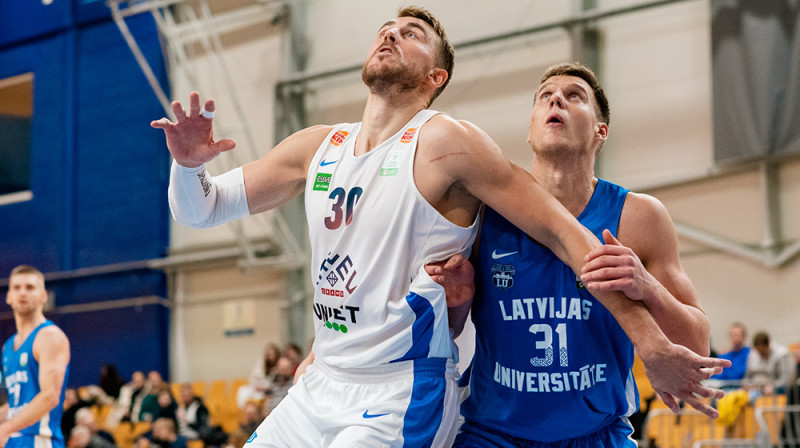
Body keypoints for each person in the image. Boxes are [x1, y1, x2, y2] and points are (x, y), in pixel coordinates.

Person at [151, 7, 728, 446]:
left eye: (412, 33)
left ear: (436, 76)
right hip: (327, 378)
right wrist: (187, 166)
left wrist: (651, 340)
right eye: (387, 27)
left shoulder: (450, 142)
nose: (391, 33)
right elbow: (202, 209)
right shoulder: (316, 146)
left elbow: (561, 233)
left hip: (401, 388)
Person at [425, 62, 716, 446]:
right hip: (494, 435)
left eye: (573, 95)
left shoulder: (639, 217)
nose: (556, 99)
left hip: (597, 435)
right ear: (531, 131)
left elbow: (697, 345)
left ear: (601, 131)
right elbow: (447, 331)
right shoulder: (481, 211)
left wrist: (648, 288)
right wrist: (457, 304)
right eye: (544, 96)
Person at [0, 265, 71, 448]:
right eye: (16, 287)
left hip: (40, 441)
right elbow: (19, 404)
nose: (22, 292)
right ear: (8, 296)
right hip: (14, 440)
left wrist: (5, 429)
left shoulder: (50, 336)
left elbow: (50, 396)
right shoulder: (8, 346)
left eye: (30, 287)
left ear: (43, 296)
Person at [745, 331, 795, 395]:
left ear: (768, 345)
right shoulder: (752, 353)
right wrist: (747, 385)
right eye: (758, 352)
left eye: (762, 352)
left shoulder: (782, 354)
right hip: (755, 389)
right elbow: (747, 376)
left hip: (776, 391)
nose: (760, 354)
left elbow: (786, 380)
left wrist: (773, 387)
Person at [235, 343, 280, 409]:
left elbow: (275, 384)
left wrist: (265, 388)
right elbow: (253, 378)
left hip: (268, 391)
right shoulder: (261, 364)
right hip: (257, 388)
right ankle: (243, 413)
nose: (269, 357)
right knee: (242, 391)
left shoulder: (278, 366)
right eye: (268, 354)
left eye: (271, 354)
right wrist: (257, 386)